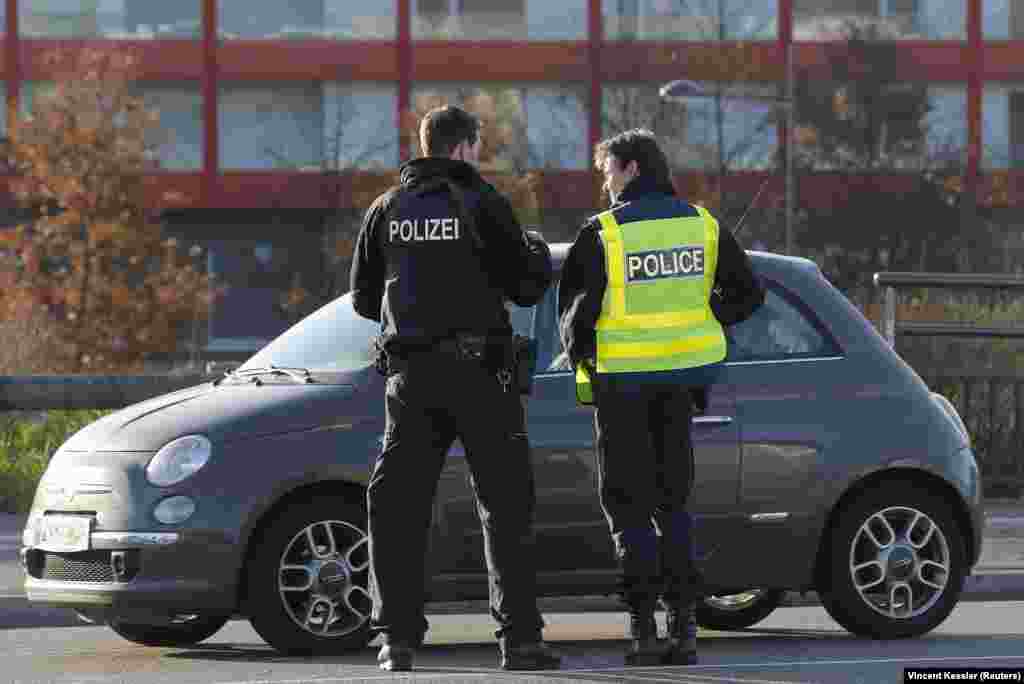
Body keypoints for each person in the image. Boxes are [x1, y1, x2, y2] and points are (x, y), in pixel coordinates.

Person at [349, 105, 561, 673]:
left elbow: (364, 301)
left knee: (396, 508)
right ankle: (520, 642)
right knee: (505, 506)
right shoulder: (483, 201)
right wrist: (535, 252)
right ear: (464, 147)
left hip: (411, 380)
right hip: (480, 376)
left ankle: (397, 642)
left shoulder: (385, 208)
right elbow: (526, 287)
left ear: (425, 146)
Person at [558, 129, 764, 666]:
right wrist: (706, 315)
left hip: (621, 388)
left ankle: (644, 630)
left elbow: (575, 321)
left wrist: (583, 357)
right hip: (679, 389)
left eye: (606, 171)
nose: (604, 183)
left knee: (627, 507)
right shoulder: (703, 225)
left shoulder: (604, 233)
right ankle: (686, 629)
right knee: (673, 505)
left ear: (628, 168)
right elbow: (747, 295)